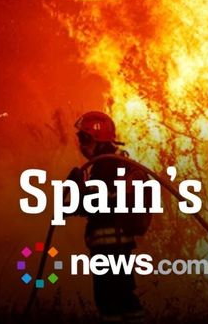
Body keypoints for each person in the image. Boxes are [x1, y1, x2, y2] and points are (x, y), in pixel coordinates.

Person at [69, 111, 148, 323]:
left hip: (109, 246)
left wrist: (75, 190)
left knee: (108, 301)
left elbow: (96, 204)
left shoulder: (106, 165)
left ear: (95, 139)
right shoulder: (113, 163)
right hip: (118, 245)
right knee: (125, 298)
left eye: (83, 138)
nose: (80, 144)